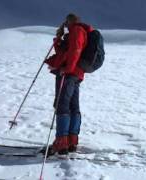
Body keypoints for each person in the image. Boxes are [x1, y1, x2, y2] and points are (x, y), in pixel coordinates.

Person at [45, 13, 94, 155]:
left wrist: (66, 69)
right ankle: (71, 141)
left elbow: (75, 51)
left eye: (66, 21)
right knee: (72, 105)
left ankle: (62, 142)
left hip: (69, 73)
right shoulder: (75, 32)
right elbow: (65, 52)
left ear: (71, 20)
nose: (65, 23)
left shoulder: (77, 31)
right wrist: (58, 38)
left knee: (62, 105)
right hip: (75, 73)